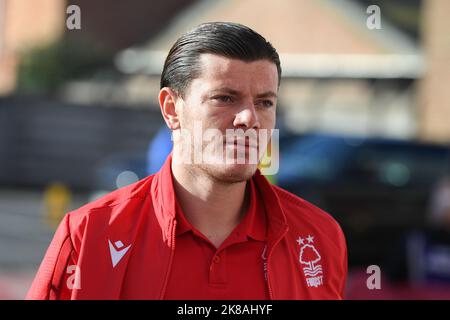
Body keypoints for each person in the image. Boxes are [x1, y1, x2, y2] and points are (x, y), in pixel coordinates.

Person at [26, 22, 347, 300]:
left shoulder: (319, 236)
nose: (249, 117)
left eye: (265, 102)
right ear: (170, 108)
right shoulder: (89, 233)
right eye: (225, 98)